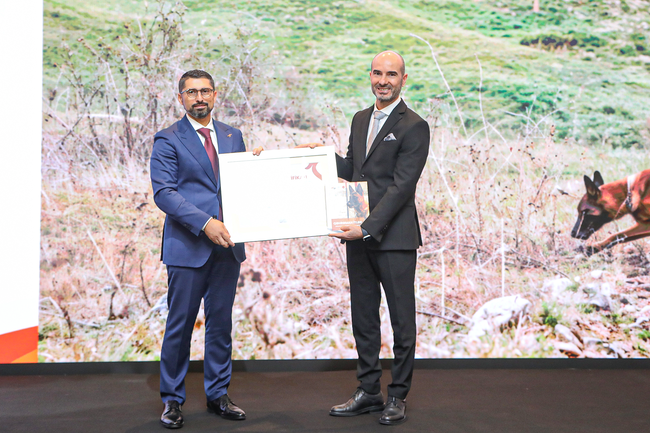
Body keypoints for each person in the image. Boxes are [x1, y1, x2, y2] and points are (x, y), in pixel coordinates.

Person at [150, 69, 260, 429]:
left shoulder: (232, 135)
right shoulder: (167, 139)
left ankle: (218, 395)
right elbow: (165, 193)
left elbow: (242, 186)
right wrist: (205, 223)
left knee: (220, 326)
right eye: (191, 92)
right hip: (187, 247)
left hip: (227, 248)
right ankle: (172, 400)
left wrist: (259, 168)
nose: (199, 97)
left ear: (216, 95)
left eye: (205, 91)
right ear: (180, 98)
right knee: (180, 326)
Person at [326, 51, 430, 425]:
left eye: (391, 74)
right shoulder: (360, 119)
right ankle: (369, 390)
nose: (383, 80)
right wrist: (319, 156)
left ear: (404, 79)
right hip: (358, 238)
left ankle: (398, 395)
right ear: (369, 75)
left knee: (402, 320)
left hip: (394, 238)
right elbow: (354, 169)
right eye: (377, 73)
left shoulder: (415, 126)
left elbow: (402, 188)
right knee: (364, 317)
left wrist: (368, 227)